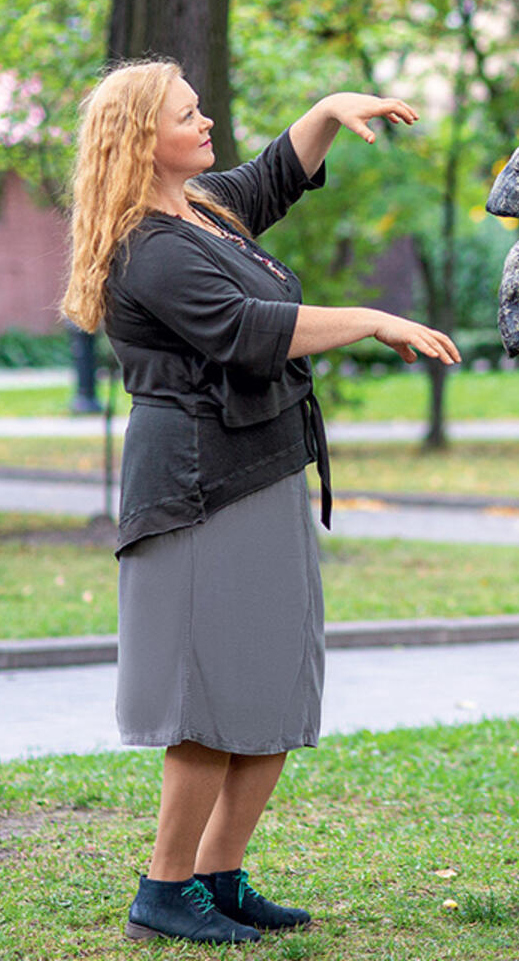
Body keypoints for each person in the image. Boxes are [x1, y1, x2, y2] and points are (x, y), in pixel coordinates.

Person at [61, 59, 460, 945]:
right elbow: (246, 335)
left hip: (264, 466)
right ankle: (164, 890)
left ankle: (218, 876)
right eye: (188, 115)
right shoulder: (147, 247)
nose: (206, 124)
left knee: (273, 691)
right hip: (199, 486)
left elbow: (273, 175)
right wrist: (368, 317)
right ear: (141, 142)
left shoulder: (198, 211)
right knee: (209, 700)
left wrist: (326, 110)